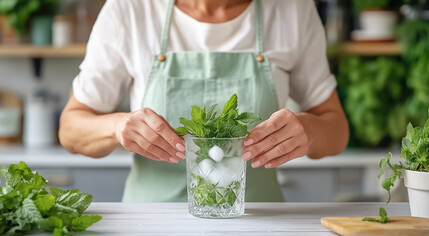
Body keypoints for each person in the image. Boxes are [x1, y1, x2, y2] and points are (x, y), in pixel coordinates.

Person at [59, 0, 349, 202]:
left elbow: (337, 130)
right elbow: (70, 129)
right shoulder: (129, 9)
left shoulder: (293, 9)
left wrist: (308, 131)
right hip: (153, 223)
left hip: (259, 224)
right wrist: (117, 126)